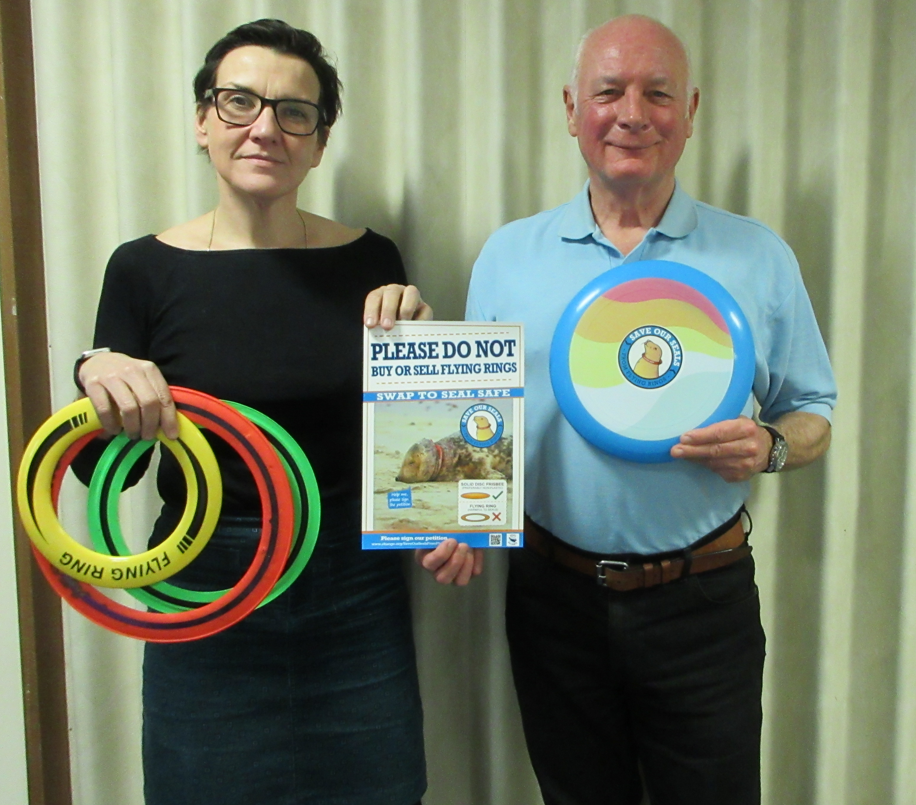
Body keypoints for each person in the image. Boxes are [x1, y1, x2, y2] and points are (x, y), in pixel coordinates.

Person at [456, 14, 837, 805]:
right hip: (552, 601)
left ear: (690, 111)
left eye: (657, 93)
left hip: (704, 603)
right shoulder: (507, 257)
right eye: (609, 92)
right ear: (571, 110)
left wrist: (768, 445)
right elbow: (473, 419)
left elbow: (813, 413)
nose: (632, 113)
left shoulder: (757, 255)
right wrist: (453, 515)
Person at [72, 19, 430, 805]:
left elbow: (414, 444)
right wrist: (96, 371)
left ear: (319, 139)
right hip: (203, 585)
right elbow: (103, 469)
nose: (264, 126)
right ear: (203, 122)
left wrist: (423, 350)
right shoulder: (141, 269)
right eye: (239, 103)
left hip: (352, 584)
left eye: (293, 111)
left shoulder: (372, 260)